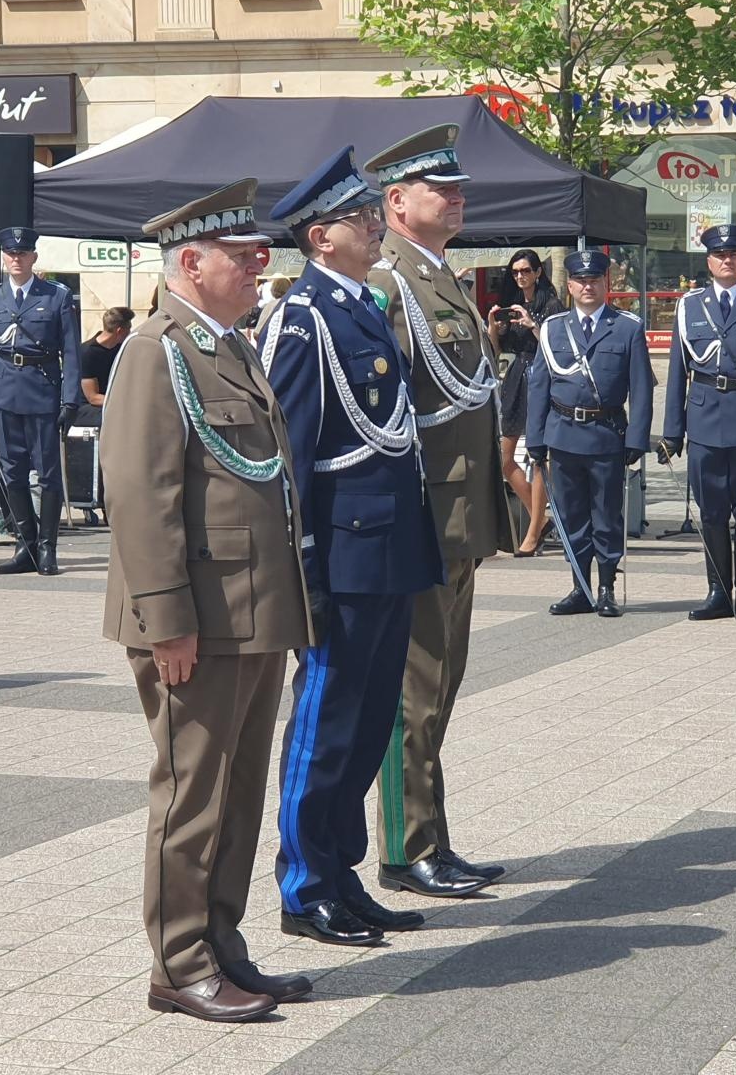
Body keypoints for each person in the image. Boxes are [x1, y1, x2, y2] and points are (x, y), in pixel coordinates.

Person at [101, 179, 312, 1022]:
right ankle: (178, 963)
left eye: (261, 254)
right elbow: (140, 495)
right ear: (192, 261)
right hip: (197, 619)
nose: (261, 266)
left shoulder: (231, 346)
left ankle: (222, 944)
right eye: (244, 255)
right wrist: (168, 622)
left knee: (238, 792)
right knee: (192, 797)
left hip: (253, 612)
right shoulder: (157, 350)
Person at [256, 147, 444, 946]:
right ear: (319, 237)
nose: (375, 227)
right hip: (339, 557)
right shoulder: (302, 321)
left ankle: (342, 872)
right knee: (325, 726)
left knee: (369, 726)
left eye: (375, 215)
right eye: (360, 219)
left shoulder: (363, 307)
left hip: (389, 549)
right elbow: (289, 461)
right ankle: (303, 888)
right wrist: (303, 573)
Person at [365, 123, 515, 899]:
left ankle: (433, 836)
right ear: (396, 201)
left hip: (458, 515)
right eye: (441, 189)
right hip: (424, 514)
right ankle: (404, 847)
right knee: (414, 692)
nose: (458, 199)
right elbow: (382, 416)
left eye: (458, 189)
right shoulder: (390, 284)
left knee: (441, 685)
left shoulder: (441, 278)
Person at [657, 223, 736, 623]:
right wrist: (673, 431)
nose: (727, 260)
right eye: (720, 255)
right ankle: (717, 591)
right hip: (705, 418)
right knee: (710, 513)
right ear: (709, 261)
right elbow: (678, 371)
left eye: (734, 254)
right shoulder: (690, 305)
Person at [527, 248, 654, 618]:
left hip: (605, 434)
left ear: (606, 284)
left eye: (594, 280)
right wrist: (535, 438)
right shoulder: (553, 328)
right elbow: (539, 385)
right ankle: (580, 587)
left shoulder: (627, 327)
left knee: (607, 515)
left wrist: (637, 440)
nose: (587, 286)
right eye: (580, 280)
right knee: (571, 515)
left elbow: (641, 388)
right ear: (569, 285)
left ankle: (606, 588)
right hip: (563, 434)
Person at [0, 227, 80, 576]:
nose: (16, 259)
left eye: (22, 253)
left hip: (42, 391)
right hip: (4, 393)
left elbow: (70, 351)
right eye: (10, 254)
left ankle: (48, 549)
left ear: (34, 257)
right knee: (11, 474)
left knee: (49, 476)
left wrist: (70, 401)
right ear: (4, 258)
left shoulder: (56, 296)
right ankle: (25, 545)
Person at [487, 248, 561, 557]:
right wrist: (494, 324)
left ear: (538, 272)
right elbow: (496, 348)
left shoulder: (552, 304)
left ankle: (532, 535)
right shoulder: (511, 304)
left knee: (538, 457)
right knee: (505, 459)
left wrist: (531, 323)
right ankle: (541, 519)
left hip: (541, 377)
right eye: (515, 272)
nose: (520, 276)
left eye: (526, 271)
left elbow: (556, 345)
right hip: (516, 378)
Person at [78, 306, 135, 413]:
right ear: (119, 331)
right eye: (129, 329)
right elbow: (93, 397)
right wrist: (125, 402)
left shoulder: (122, 348)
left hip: (115, 403)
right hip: (91, 409)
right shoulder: (87, 353)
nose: (130, 333)